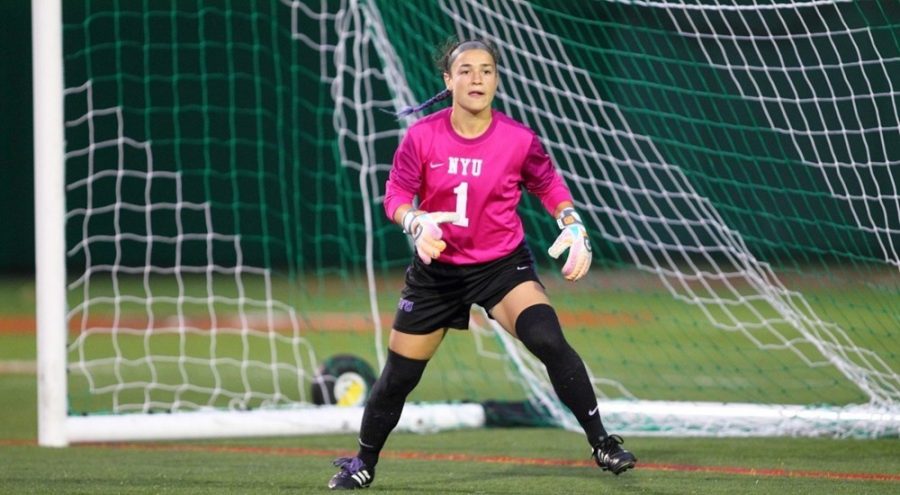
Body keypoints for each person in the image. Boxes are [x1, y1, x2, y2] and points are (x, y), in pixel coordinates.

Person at [328, 38, 636, 490]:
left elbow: (549, 184)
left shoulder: (518, 140)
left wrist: (572, 224)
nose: (477, 78)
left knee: (547, 338)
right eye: (467, 70)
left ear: (496, 79)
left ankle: (603, 442)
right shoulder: (422, 136)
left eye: (487, 70)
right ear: (448, 80)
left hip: (501, 267)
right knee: (398, 377)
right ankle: (363, 461)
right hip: (438, 273)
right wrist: (413, 221)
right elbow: (395, 195)